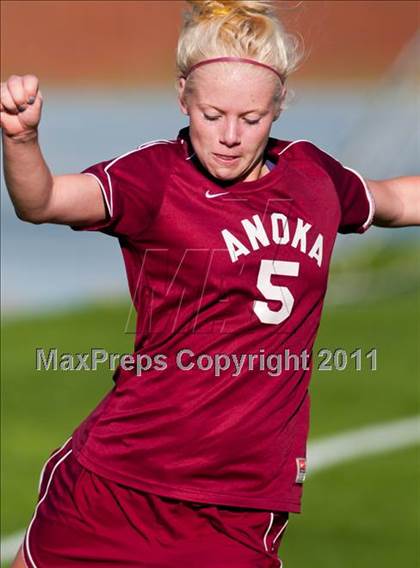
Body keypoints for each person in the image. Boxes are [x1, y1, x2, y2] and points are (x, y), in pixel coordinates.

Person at [1, 1, 419, 567]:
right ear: (182, 97)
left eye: (251, 119)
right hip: (119, 482)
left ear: (279, 108)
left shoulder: (314, 178)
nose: (229, 135)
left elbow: (395, 200)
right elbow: (43, 200)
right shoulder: (153, 177)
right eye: (212, 114)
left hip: (243, 502)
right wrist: (22, 142)